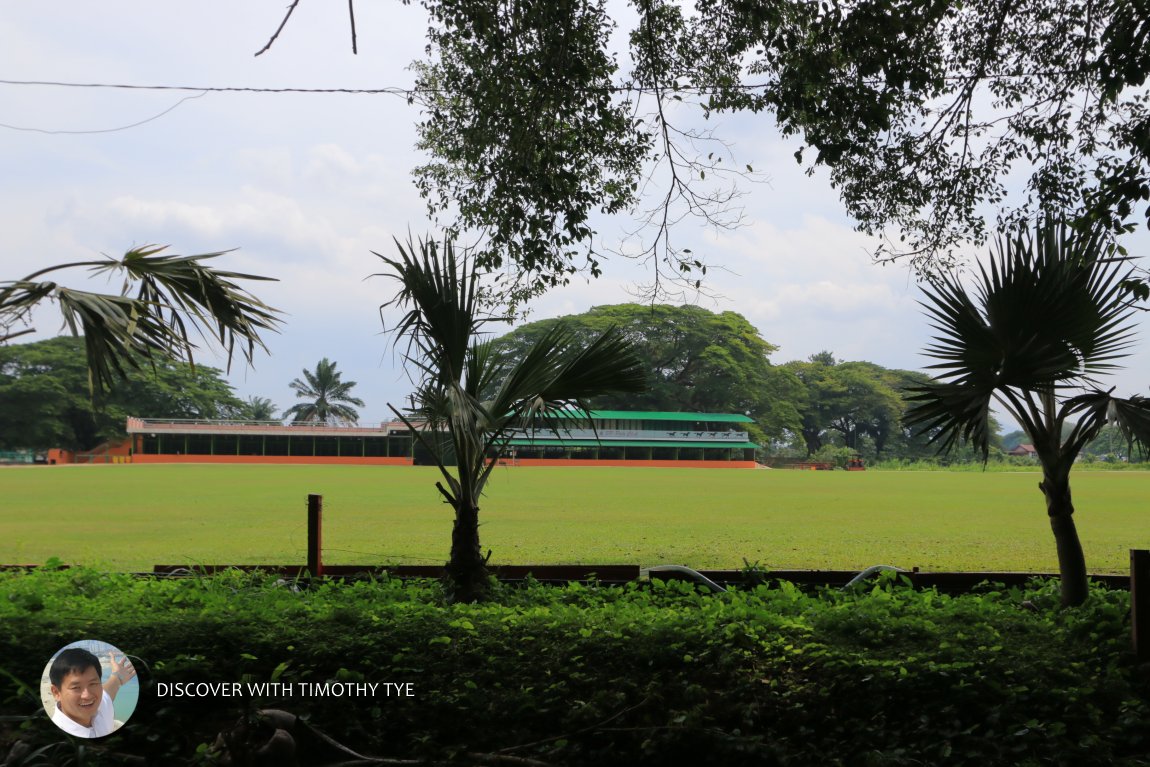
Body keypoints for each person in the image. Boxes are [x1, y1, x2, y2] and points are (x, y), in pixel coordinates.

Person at [48, 647, 135, 738]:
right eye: (76, 687)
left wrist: (118, 677)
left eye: (93, 684)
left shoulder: (100, 706)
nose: (87, 695)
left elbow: (109, 689)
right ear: (56, 692)